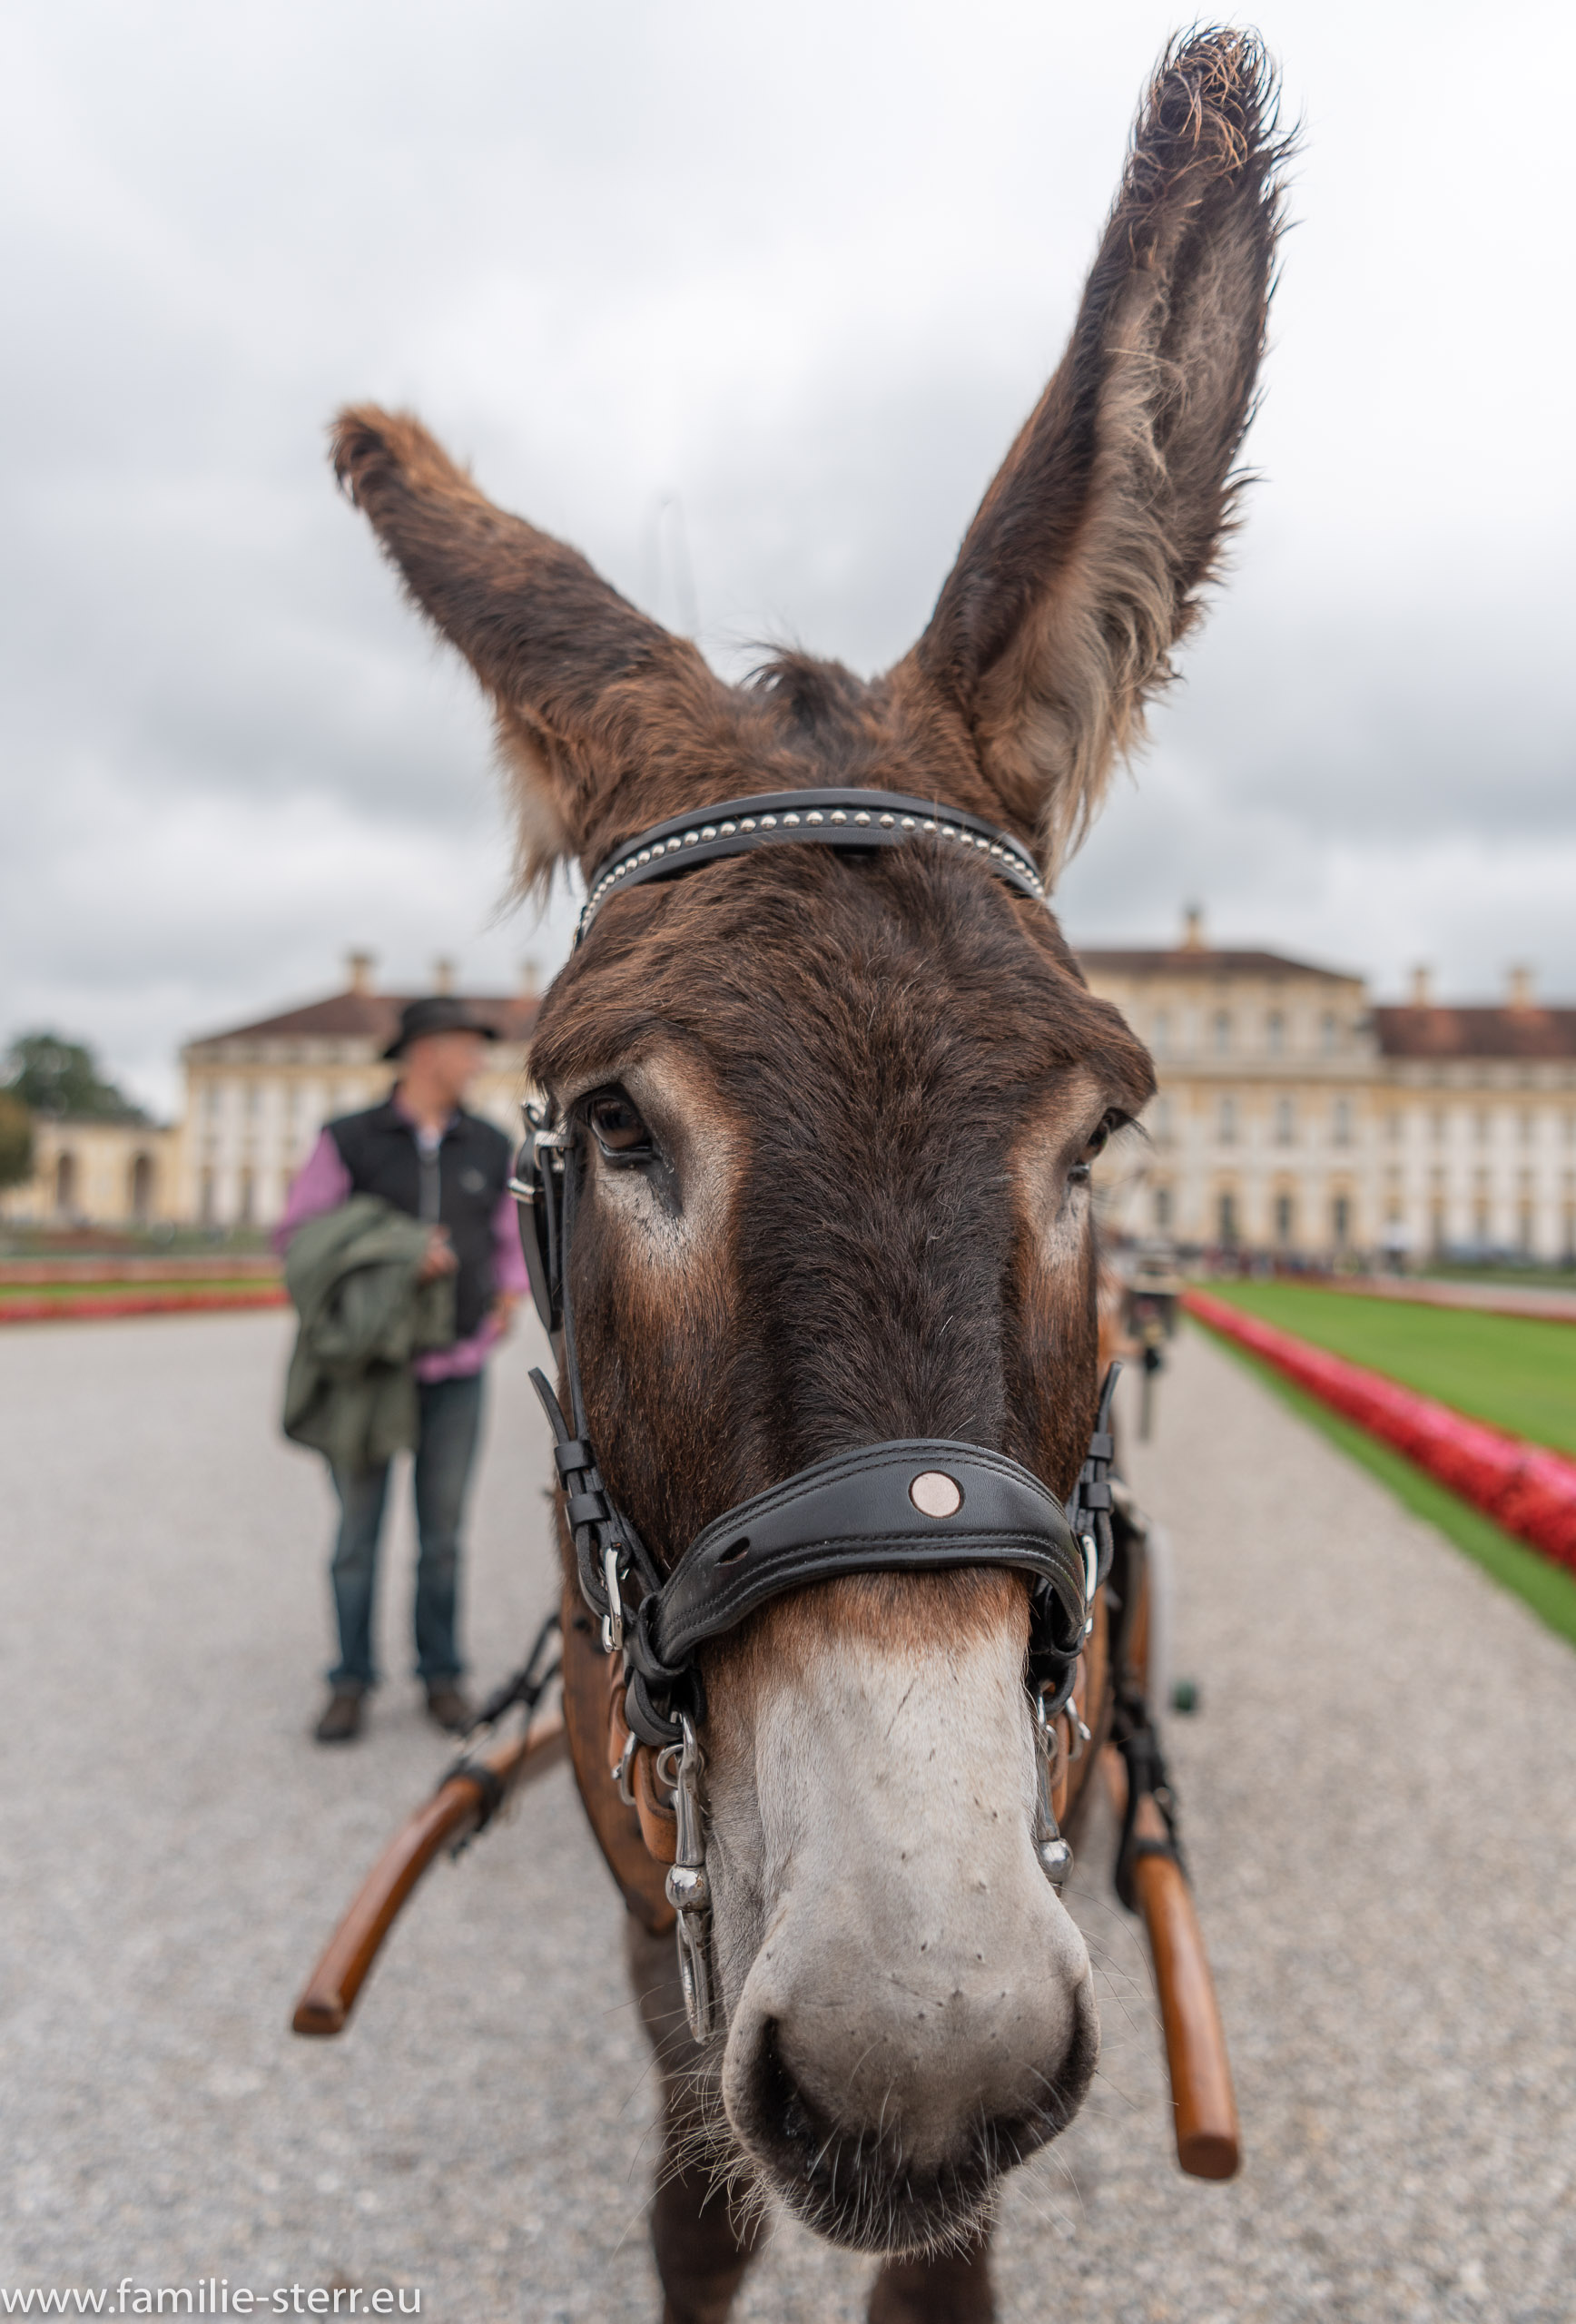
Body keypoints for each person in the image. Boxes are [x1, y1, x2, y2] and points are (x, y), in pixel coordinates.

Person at [274, 995, 529, 1743]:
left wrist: (509, 1290)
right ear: (425, 1054)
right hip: (369, 1372)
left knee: (442, 1538)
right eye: (467, 1047)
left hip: (457, 1366)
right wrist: (400, 1252)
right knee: (357, 1537)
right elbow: (300, 1239)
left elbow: (508, 1233)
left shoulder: (489, 1141)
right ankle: (349, 1680)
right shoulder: (348, 1140)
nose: (480, 1061)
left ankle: (441, 1676)